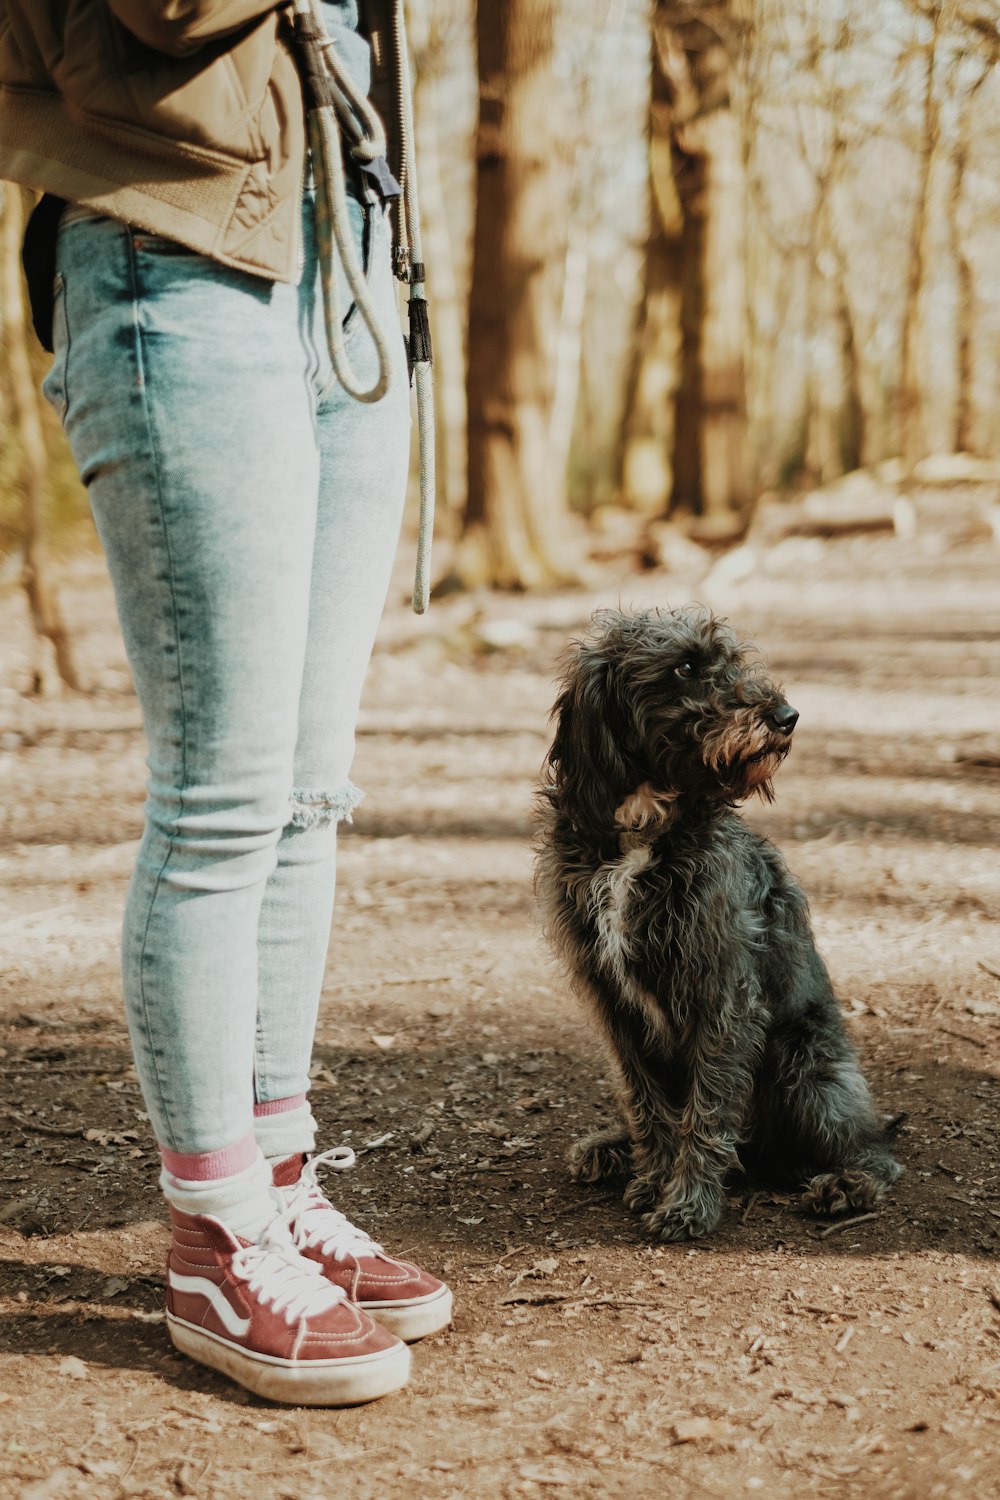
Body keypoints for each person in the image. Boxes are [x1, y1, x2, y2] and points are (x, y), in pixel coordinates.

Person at [0, 0, 450, 1406]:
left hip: (341, 250)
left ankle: (278, 1173)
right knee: (223, 795)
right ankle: (214, 1228)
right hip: (172, 248)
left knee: (310, 793)